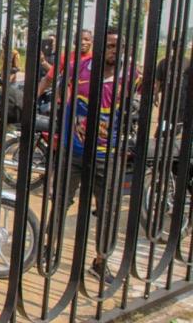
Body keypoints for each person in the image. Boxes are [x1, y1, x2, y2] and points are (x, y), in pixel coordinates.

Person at [63, 27, 141, 284]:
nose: (113, 50)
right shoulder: (82, 68)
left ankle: (100, 261)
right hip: (75, 150)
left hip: (107, 154)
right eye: (109, 45)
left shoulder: (130, 75)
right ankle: (49, 249)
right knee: (61, 200)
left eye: (118, 45)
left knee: (106, 208)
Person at [36, 29, 93, 97]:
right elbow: (48, 79)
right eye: (79, 39)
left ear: (91, 41)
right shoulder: (66, 57)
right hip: (67, 102)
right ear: (74, 41)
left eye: (86, 39)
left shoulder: (95, 59)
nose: (83, 42)